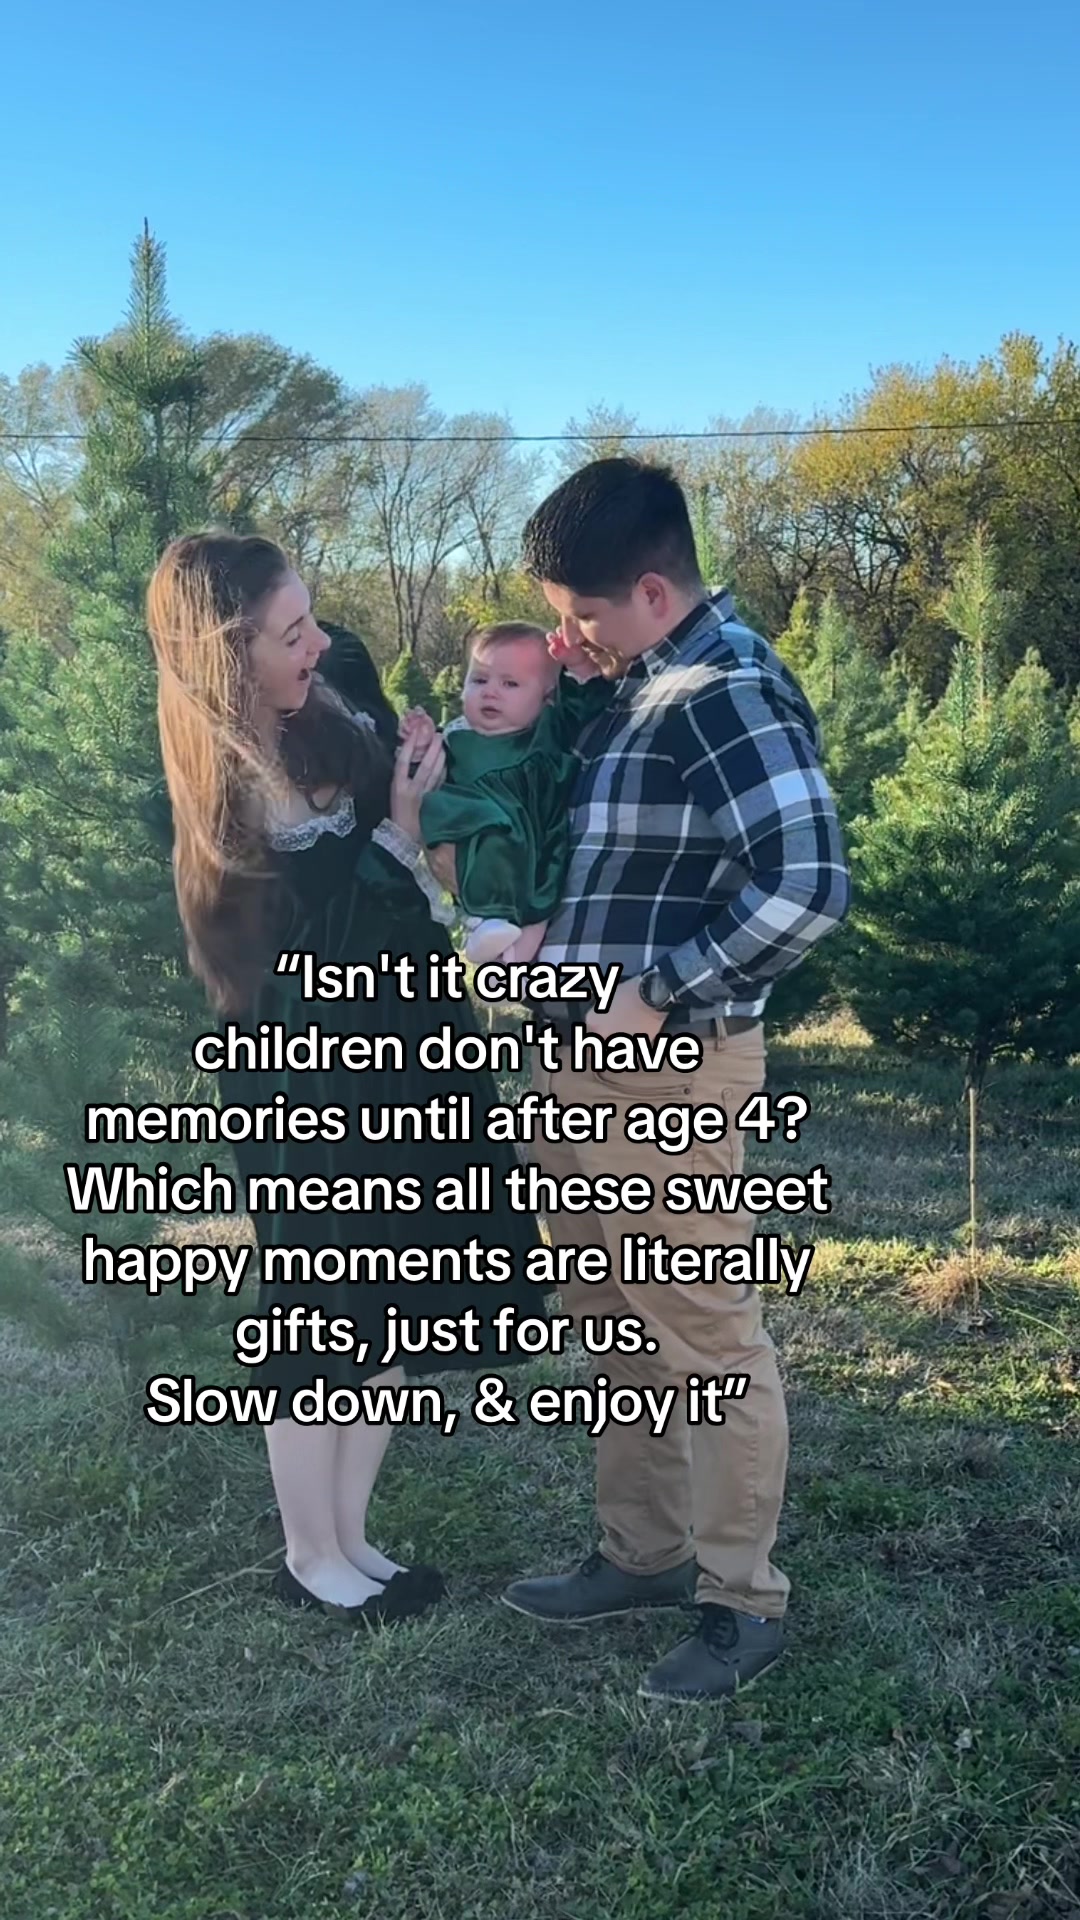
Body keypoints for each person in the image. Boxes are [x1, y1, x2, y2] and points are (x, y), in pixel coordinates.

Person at [493, 458, 851, 1701]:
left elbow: (808, 884)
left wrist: (666, 987)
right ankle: (639, 1554)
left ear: (653, 590)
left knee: (703, 1332)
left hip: (664, 1069)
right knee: (614, 1315)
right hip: (580, 1064)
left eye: (583, 613)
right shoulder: (651, 682)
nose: (567, 635)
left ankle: (742, 1600)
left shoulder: (723, 690)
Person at [144, 534, 543, 1627]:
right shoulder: (217, 796)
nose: (318, 642)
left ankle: (356, 1536)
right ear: (229, 657)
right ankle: (309, 1553)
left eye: (311, 617)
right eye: (292, 634)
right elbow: (304, 969)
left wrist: (420, 762)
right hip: (306, 1080)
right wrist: (398, 837)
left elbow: (428, 786)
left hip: (411, 1039)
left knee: (396, 1299)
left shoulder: (336, 689)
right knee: (320, 1309)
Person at [408, 621, 610, 966]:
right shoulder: (456, 738)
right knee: (443, 814)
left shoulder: (547, 731)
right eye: (479, 680)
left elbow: (587, 701)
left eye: (510, 683)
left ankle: (513, 959)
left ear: (546, 697)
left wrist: (577, 663)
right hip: (476, 848)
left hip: (532, 842)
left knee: (538, 905)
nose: (491, 692)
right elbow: (421, 776)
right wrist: (420, 743)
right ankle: (479, 924)